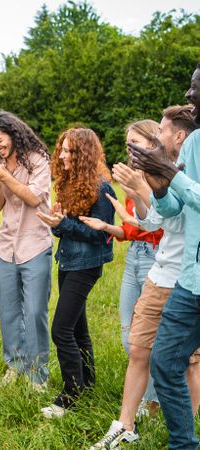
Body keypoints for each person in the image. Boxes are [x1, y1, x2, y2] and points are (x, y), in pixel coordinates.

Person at [90, 106, 200, 448]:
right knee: (138, 350)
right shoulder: (162, 170)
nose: (138, 148)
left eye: (158, 135)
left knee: (188, 363)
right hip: (161, 273)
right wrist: (141, 189)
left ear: (176, 137)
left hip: (187, 279)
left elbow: (179, 220)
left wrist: (145, 187)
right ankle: (124, 425)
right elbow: (154, 221)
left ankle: (185, 426)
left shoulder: (187, 168)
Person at [129, 64, 200, 449]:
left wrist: (168, 176)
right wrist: (156, 185)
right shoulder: (193, 145)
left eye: (195, 88)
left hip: (185, 275)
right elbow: (174, 210)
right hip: (190, 280)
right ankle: (183, 443)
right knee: (163, 361)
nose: (189, 95)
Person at [80, 120, 164, 413]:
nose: (130, 148)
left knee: (149, 336)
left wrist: (139, 192)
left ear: (154, 143)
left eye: (136, 142)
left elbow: (159, 222)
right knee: (129, 335)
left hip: (158, 257)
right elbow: (131, 230)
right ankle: (147, 393)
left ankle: (152, 401)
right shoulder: (132, 179)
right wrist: (105, 225)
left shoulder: (164, 177)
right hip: (135, 256)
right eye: (128, 142)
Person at [37, 128, 115, 418]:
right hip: (68, 261)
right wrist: (57, 223)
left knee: (61, 330)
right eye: (63, 150)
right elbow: (67, 228)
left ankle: (70, 395)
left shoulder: (102, 187)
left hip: (86, 265)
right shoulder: (70, 183)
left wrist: (64, 225)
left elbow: (101, 235)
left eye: (70, 151)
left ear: (84, 155)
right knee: (78, 329)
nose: (63, 156)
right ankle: (88, 385)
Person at [0, 111, 52, 390]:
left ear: (13, 133)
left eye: (0, 140)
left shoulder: (37, 160)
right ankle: (15, 365)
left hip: (35, 244)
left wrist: (6, 177)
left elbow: (34, 197)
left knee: (34, 312)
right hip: (6, 247)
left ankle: (37, 374)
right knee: (9, 312)